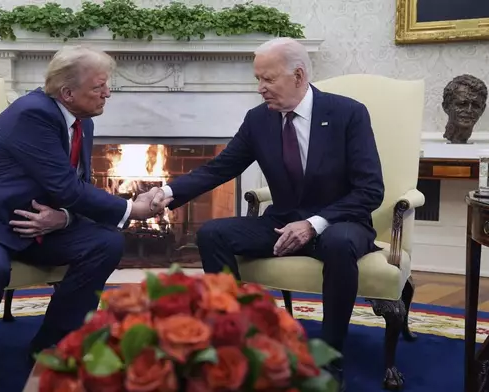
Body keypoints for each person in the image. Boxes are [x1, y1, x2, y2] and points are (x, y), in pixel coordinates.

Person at [0, 46, 170, 392]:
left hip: (33, 222)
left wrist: (65, 218)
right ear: (68, 93)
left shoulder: (80, 121)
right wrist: (131, 209)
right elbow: (66, 186)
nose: (108, 93)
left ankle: (53, 342)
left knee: (106, 243)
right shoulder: (33, 113)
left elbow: (74, 188)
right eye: (99, 87)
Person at [149, 37, 384, 390]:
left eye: (268, 80)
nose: (260, 89)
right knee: (212, 233)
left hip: (341, 222)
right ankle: (235, 340)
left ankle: (331, 355)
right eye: (257, 79)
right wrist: (166, 192)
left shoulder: (348, 113)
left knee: (337, 242)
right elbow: (220, 169)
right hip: (282, 220)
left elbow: (370, 190)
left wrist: (312, 223)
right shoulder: (259, 120)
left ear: (299, 75)